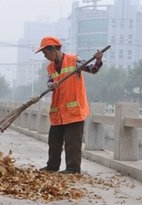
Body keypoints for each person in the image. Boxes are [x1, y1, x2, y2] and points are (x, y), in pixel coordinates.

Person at [35, 36, 103, 174]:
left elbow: (93, 69)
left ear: (53, 49)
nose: (45, 56)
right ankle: (52, 166)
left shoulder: (74, 60)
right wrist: (51, 85)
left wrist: (98, 60)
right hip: (57, 113)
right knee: (54, 142)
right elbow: (49, 82)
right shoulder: (50, 67)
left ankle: (72, 169)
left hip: (73, 112)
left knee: (72, 144)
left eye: (45, 53)